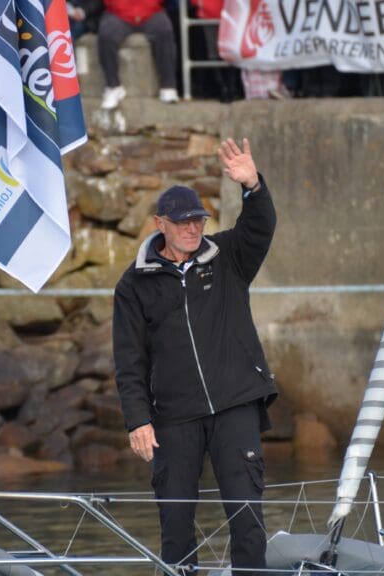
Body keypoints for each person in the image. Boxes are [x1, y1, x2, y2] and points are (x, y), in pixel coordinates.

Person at [113, 138, 277, 576]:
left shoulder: (228, 258)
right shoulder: (133, 286)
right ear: (160, 224)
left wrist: (253, 186)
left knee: (247, 524)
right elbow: (128, 360)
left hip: (235, 404)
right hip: (174, 417)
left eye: (198, 221)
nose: (193, 229)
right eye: (183, 222)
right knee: (176, 529)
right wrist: (137, 420)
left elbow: (260, 227)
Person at [98, 0, 179, 110]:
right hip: (118, 14)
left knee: (165, 30)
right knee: (106, 34)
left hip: (151, 13)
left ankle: (168, 86)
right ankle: (113, 86)